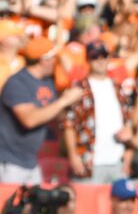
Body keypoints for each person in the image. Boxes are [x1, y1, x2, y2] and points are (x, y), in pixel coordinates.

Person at [0, 37, 83, 183]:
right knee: (10, 205)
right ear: (44, 60)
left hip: (31, 162)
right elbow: (29, 120)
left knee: (37, 204)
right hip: (10, 161)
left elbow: (55, 114)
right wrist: (64, 101)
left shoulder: (47, 82)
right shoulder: (17, 83)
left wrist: (69, 104)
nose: (56, 61)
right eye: (53, 57)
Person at [62, 41, 132, 183]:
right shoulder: (79, 88)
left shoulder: (118, 88)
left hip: (117, 161)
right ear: (88, 60)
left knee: (117, 204)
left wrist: (129, 153)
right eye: (95, 56)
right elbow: (69, 125)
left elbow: (127, 122)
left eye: (104, 56)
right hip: (88, 161)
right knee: (86, 204)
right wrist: (73, 156)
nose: (100, 60)